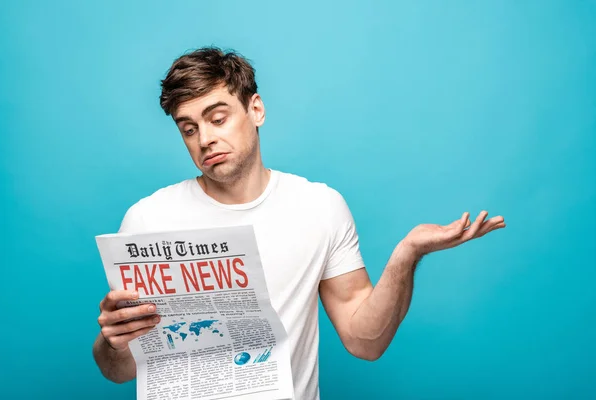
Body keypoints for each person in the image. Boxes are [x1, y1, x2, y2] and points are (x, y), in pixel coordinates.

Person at [93, 46, 506, 399]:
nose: (204, 139)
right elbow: (119, 370)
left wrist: (407, 255)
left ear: (255, 109)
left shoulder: (319, 207)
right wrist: (113, 341)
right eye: (189, 129)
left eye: (217, 118)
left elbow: (365, 341)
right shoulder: (148, 218)